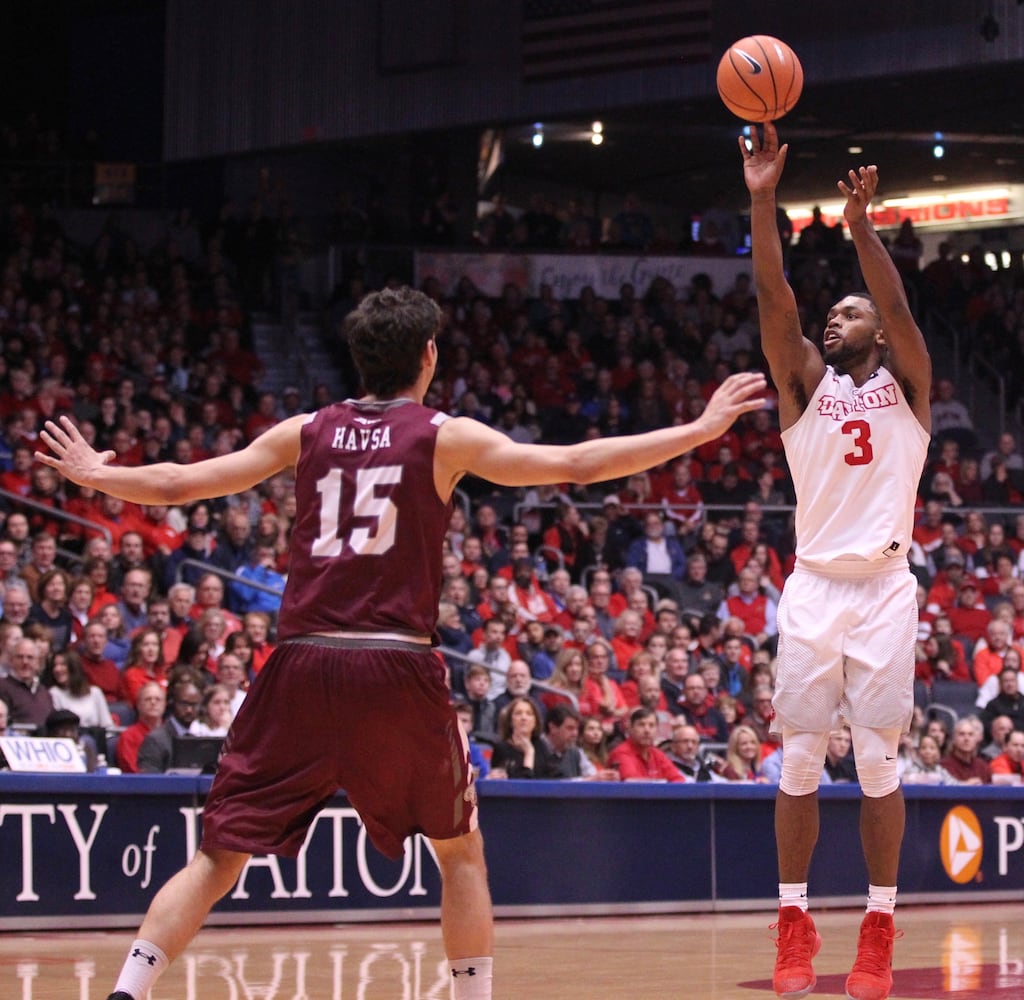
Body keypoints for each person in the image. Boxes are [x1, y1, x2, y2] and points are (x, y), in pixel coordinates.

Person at [38, 284, 764, 1000]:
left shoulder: (307, 429)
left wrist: (99, 473)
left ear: (359, 360)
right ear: (429, 355)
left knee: (219, 854)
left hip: (302, 658)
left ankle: (128, 992)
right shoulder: (445, 435)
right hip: (393, 658)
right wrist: (697, 431)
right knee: (460, 850)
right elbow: (575, 463)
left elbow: (179, 483)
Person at [742, 123, 932, 1000]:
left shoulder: (912, 385)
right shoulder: (803, 388)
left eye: (850, 311)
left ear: (880, 338)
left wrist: (860, 227)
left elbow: (895, 308)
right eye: (836, 312)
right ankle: (793, 924)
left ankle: (880, 928)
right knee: (799, 761)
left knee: (880, 765)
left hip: (886, 590)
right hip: (815, 587)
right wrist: (761, 197)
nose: (837, 315)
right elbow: (774, 297)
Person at [136, 679, 203, 773]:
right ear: (173, 703)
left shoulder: (203, 737)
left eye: (194, 705)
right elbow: (149, 782)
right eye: (184, 704)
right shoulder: (155, 740)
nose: (189, 710)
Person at [606, 706, 684, 781]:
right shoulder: (621, 753)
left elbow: (678, 779)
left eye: (651, 725)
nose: (647, 730)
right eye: (641, 725)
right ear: (630, 729)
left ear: (657, 730)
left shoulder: (657, 754)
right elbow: (634, 785)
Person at [116, 682, 168, 774]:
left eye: (158, 699)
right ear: (138, 704)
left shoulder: (171, 733)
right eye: (148, 699)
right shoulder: (128, 736)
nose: (153, 702)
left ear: (165, 705)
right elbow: (133, 772)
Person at [488, 697, 543, 779]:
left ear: (535, 721)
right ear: (510, 721)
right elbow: (522, 785)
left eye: (529, 713)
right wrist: (529, 753)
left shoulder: (541, 746)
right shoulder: (501, 748)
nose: (524, 718)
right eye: (518, 713)